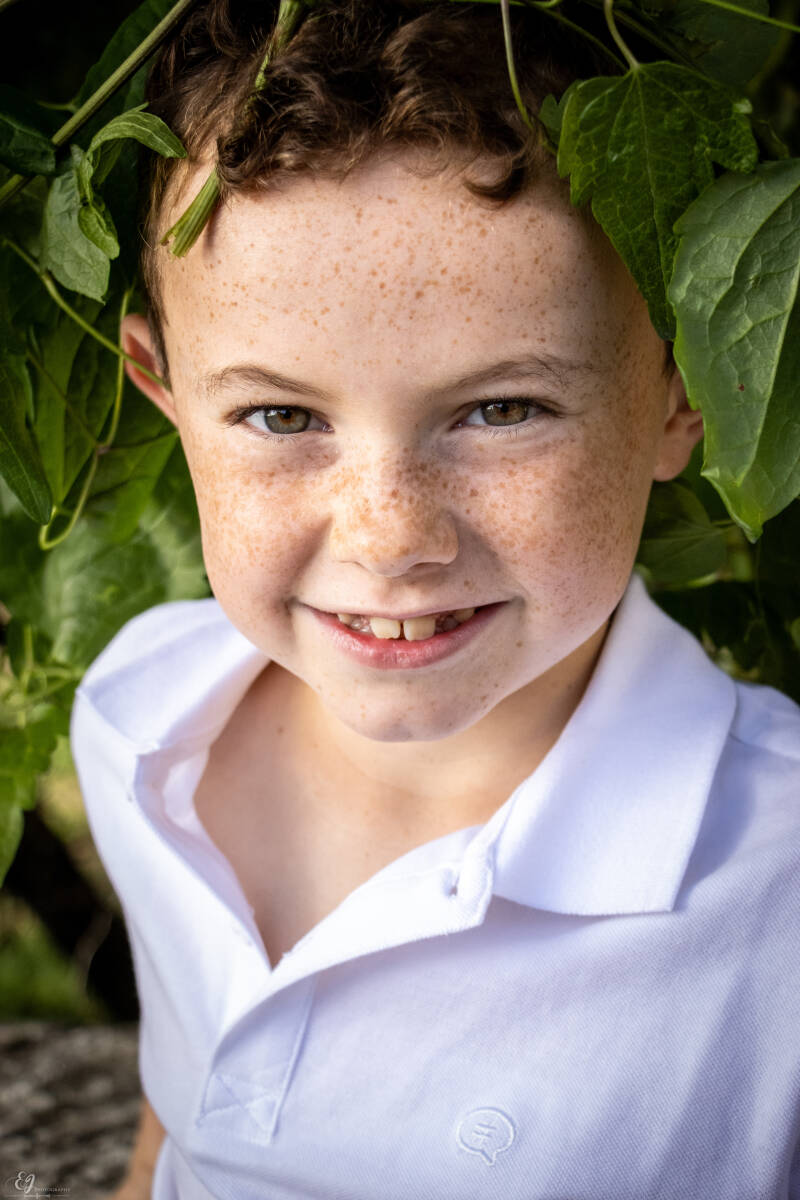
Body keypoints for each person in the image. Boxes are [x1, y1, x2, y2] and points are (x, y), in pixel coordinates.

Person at [70, 2, 800, 1197]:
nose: (390, 536)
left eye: (501, 410)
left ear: (681, 394)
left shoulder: (772, 896)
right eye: (279, 415)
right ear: (164, 392)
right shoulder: (140, 721)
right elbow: (190, 1111)